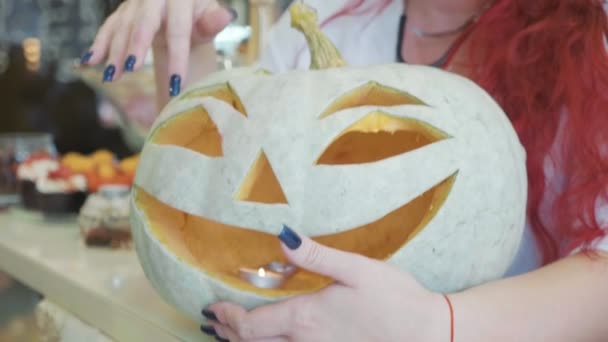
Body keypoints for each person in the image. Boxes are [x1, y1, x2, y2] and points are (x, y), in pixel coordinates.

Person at [84, 0, 608, 340]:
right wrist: (183, 49)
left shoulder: (594, 38)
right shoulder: (322, 19)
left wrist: (436, 326)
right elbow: (223, 185)